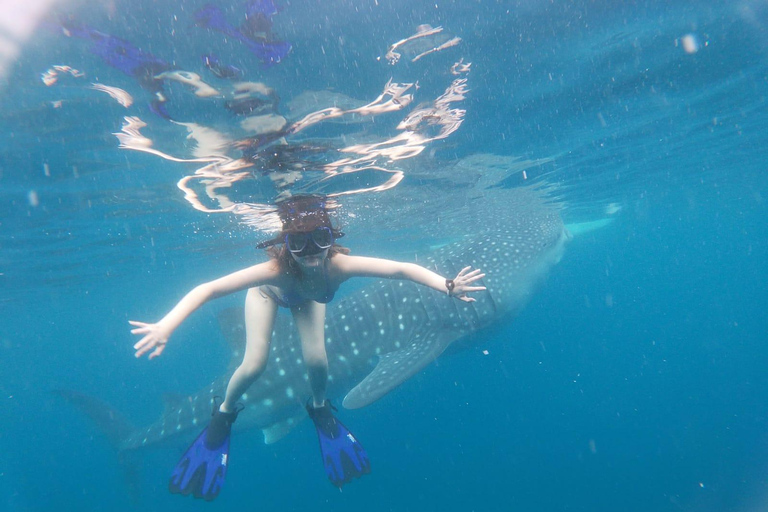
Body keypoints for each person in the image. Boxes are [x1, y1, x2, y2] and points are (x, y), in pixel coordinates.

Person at [129, 196, 485, 500]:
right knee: (254, 363)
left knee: (318, 361)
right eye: (298, 244)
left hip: (309, 297)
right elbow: (208, 289)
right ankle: (223, 414)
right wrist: (167, 324)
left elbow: (401, 270)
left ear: (332, 238)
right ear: (286, 245)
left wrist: (447, 285)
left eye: (320, 239)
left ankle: (318, 407)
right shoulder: (273, 270)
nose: (311, 251)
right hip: (272, 294)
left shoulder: (340, 265)